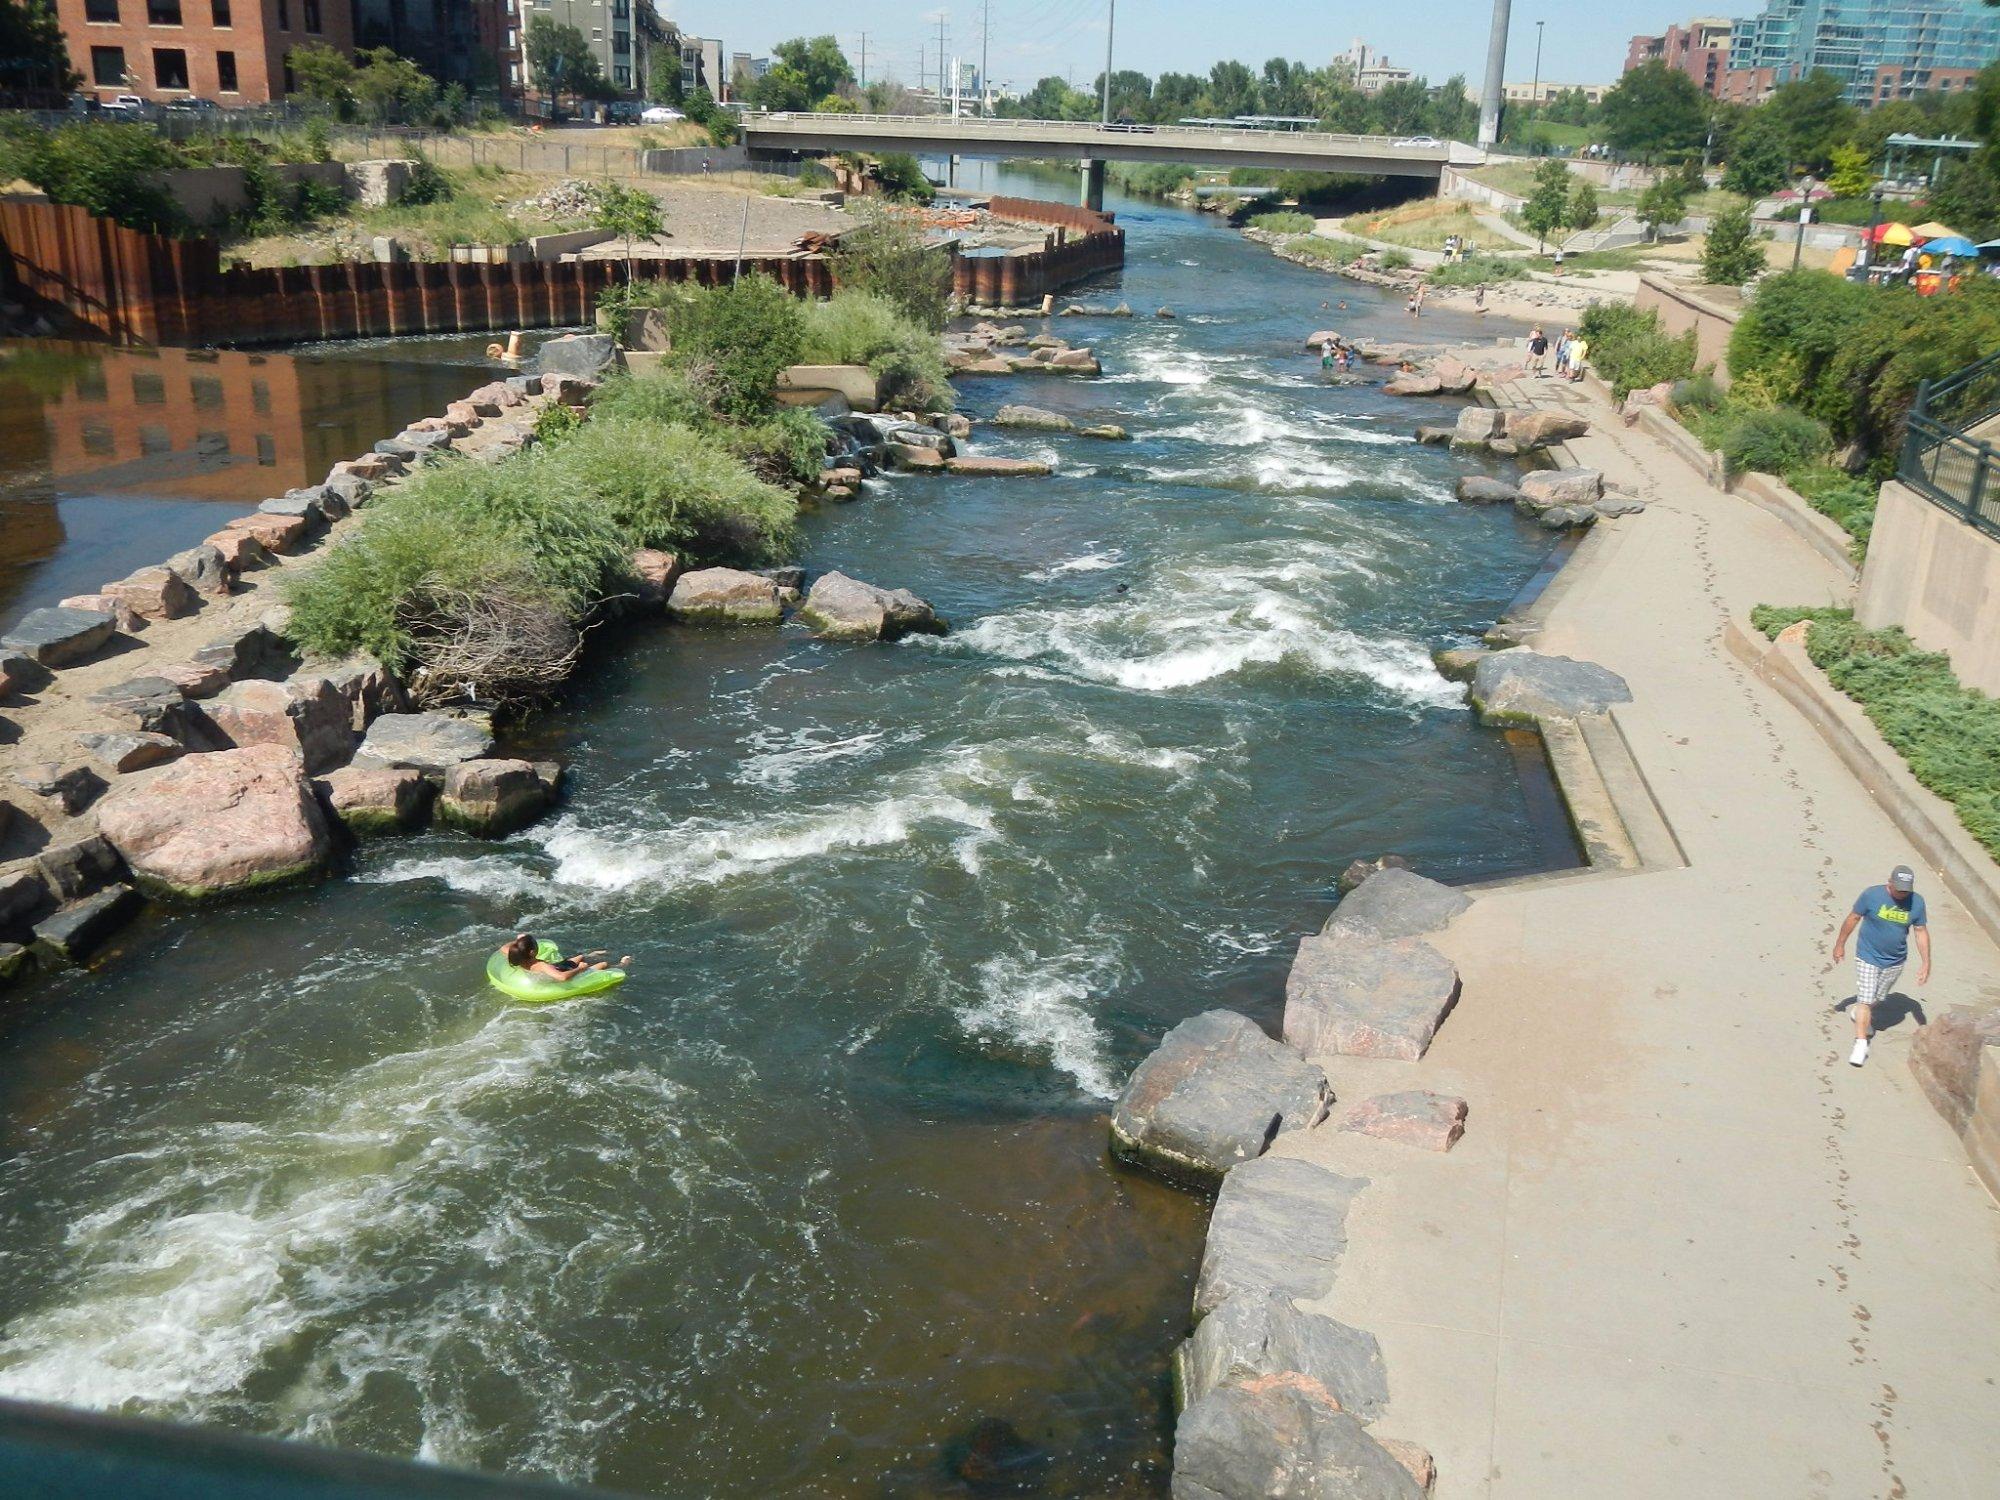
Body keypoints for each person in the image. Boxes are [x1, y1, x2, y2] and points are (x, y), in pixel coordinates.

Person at [1830, 865, 1930, 1067]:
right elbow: (1853, 918)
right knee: (1866, 998)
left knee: (1877, 998)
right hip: (1867, 955)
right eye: (1899, 888)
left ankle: (1859, 1012)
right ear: (1890, 883)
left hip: (1895, 960)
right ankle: (1860, 1043)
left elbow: (1920, 932)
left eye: (1906, 889)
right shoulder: (1872, 895)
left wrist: (1926, 962)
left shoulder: (1917, 902)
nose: (1902, 893)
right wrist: (1840, 943)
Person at [502, 933, 632, 983]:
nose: (538, 945)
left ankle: (591, 955)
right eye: (536, 945)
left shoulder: (518, 957)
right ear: (531, 952)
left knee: (579, 957)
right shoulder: (541, 966)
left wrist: (519, 941)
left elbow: (503, 948)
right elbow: (562, 977)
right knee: (603, 964)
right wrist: (580, 969)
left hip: (558, 967)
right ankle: (621, 965)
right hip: (562, 972)